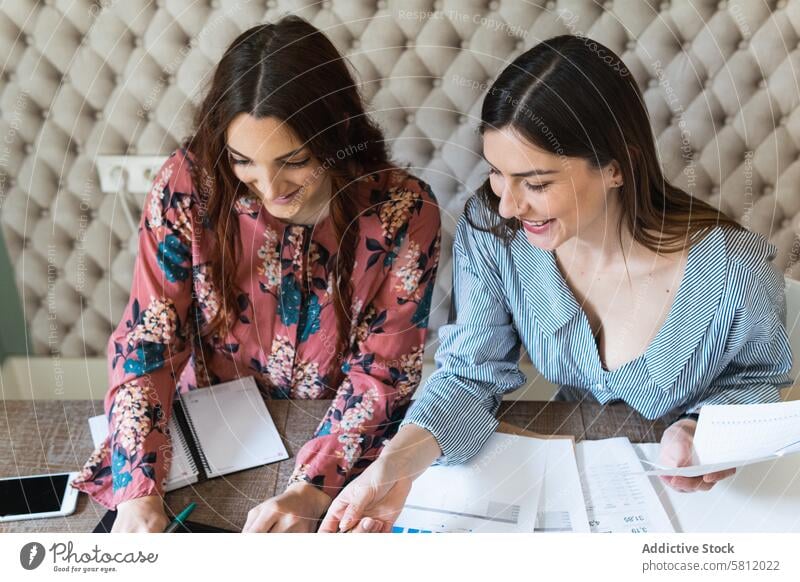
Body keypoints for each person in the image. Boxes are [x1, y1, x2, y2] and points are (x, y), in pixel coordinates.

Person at [319, 35, 793, 533]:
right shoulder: (496, 233)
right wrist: (396, 463)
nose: (508, 205)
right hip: (569, 487)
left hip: (700, 506)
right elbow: (469, 374)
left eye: (537, 183)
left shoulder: (734, 271)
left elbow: (758, 381)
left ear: (616, 167)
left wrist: (700, 428)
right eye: (498, 174)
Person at [71, 16, 441, 533]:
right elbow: (147, 342)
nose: (269, 186)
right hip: (214, 436)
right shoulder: (188, 187)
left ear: (333, 138)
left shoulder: (403, 211)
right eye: (244, 161)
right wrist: (138, 493)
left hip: (344, 442)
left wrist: (311, 491)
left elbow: (383, 375)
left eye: (293, 160)